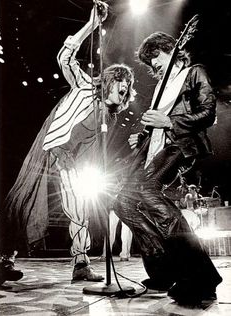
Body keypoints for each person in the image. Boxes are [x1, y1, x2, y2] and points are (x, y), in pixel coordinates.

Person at [0, 2, 136, 285]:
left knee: (79, 208)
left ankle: (81, 263)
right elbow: (66, 57)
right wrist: (92, 24)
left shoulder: (106, 119)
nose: (124, 90)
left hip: (74, 162)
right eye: (121, 82)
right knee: (22, 204)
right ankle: (4, 261)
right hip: (50, 151)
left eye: (127, 88)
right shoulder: (85, 86)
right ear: (108, 81)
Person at [114, 31, 222, 305]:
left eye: (156, 57)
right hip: (158, 147)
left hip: (182, 145)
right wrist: (143, 136)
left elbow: (208, 113)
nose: (153, 65)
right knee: (123, 202)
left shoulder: (194, 72)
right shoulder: (164, 84)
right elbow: (158, 122)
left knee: (147, 191)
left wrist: (169, 123)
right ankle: (162, 270)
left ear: (170, 50)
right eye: (149, 62)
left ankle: (202, 275)